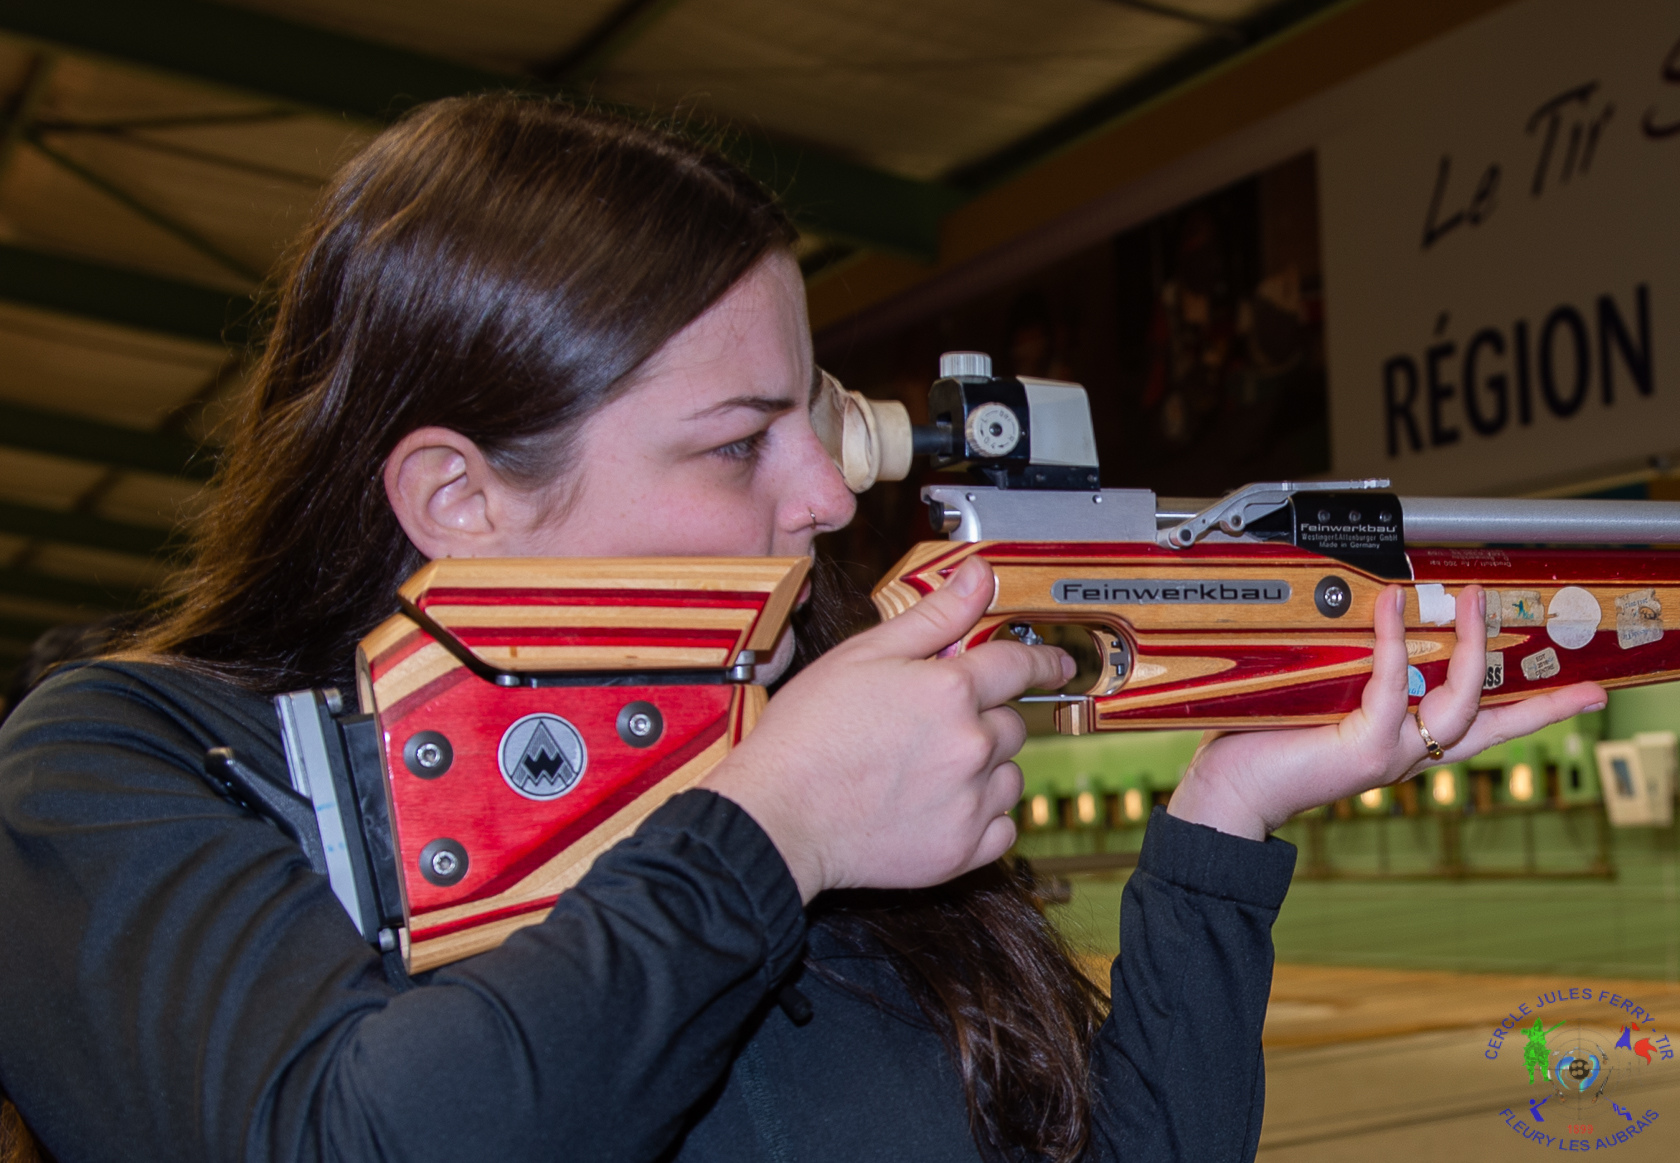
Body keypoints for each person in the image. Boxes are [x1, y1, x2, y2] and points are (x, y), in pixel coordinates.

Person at [0, 95, 1603, 1163]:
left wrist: (1226, 815)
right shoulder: (130, 767)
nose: (829, 497)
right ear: (459, 495)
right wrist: (777, 832)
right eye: (737, 444)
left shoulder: (786, 732)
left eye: (817, 421)